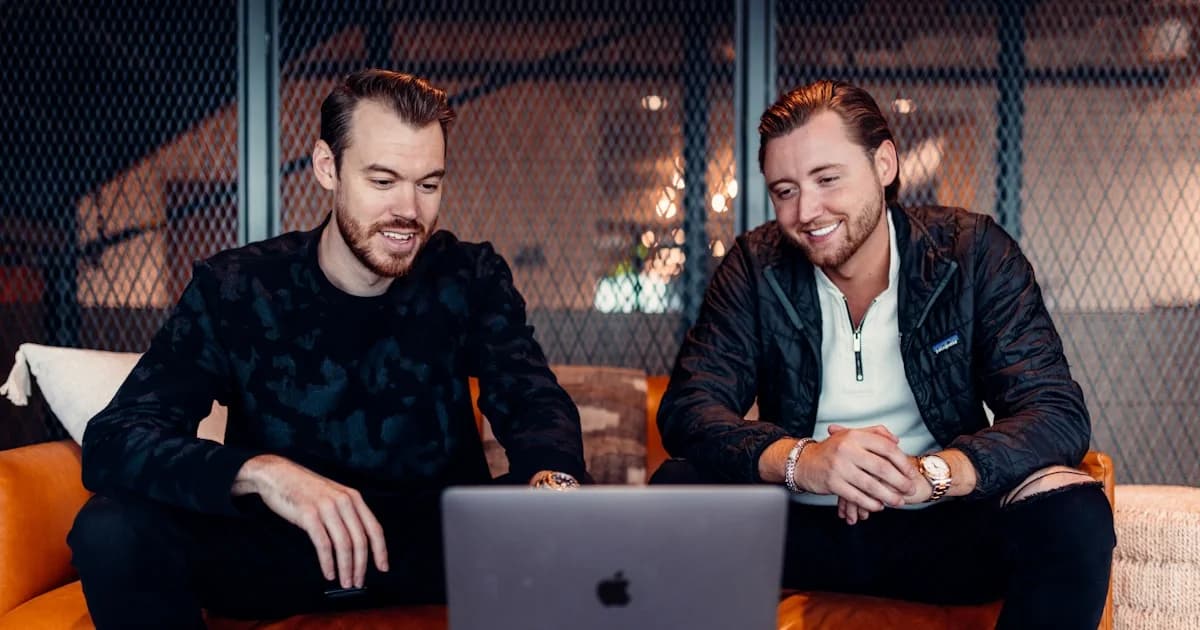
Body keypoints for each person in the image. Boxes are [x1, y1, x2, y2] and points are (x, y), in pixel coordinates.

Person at [68, 69, 586, 628]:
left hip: (431, 547)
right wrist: (262, 472)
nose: (409, 211)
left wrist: (553, 482)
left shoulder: (469, 276)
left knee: (576, 510)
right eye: (383, 181)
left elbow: (532, 400)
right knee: (110, 527)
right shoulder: (237, 287)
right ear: (326, 167)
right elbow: (116, 438)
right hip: (279, 552)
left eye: (429, 184)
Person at [652, 79, 1114, 629]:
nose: (807, 210)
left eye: (827, 179)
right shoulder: (756, 268)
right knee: (676, 489)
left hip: (940, 526)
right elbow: (689, 410)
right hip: (800, 529)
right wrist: (806, 462)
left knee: (1073, 512)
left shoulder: (971, 253)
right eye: (785, 190)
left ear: (885, 164)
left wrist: (933, 474)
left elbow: (1054, 411)